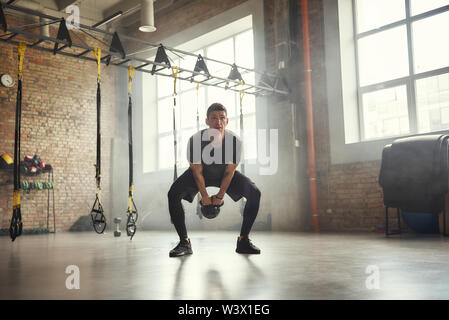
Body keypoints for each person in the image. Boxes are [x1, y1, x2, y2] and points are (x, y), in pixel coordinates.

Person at [167, 103, 261, 257]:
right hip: (201, 173)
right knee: (173, 194)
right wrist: (204, 197)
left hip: (223, 174)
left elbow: (229, 172)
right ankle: (184, 242)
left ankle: (243, 241)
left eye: (222, 118)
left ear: (227, 121)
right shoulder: (195, 140)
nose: (218, 122)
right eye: (214, 118)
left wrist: (219, 197)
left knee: (254, 193)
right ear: (207, 121)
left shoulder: (235, 142)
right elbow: (197, 172)